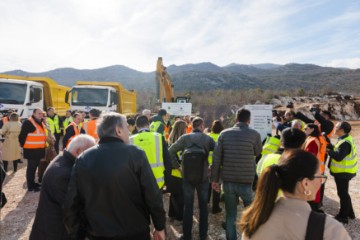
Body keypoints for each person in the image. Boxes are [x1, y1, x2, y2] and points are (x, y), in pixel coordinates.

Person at [63, 112, 166, 240]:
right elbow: (153, 195)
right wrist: (159, 226)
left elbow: (72, 202)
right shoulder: (136, 154)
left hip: (98, 233)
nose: (129, 132)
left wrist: (77, 234)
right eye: (127, 128)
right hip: (135, 232)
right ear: (118, 131)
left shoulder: (83, 159)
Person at [240, 150, 350, 240]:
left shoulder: (254, 218)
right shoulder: (329, 229)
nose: (321, 181)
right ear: (306, 183)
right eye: (320, 176)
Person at [30, 135, 96, 240]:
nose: (93, 159)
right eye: (90, 155)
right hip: (55, 233)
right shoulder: (64, 174)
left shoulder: (63, 161)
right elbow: (72, 211)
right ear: (78, 151)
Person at [211, 108, 262, 240]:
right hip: (246, 181)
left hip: (228, 181)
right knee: (251, 215)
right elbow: (257, 152)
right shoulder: (255, 134)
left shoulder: (224, 134)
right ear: (249, 120)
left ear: (235, 119)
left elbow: (216, 159)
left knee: (230, 215)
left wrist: (214, 180)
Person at [169, 117, 215, 240]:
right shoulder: (207, 138)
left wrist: (178, 167)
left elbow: (170, 151)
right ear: (201, 126)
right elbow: (218, 152)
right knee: (203, 206)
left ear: (192, 126)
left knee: (188, 207)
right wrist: (211, 166)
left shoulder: (185, 138)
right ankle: (203, 235)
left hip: (187, 177)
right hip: (203, 176)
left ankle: (187, 236)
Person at [130, 115, 171, 189]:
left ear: (136, 126)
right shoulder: (159, 137)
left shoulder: (130, 139)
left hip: (137, 182)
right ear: (148, 125)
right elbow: (167, 160)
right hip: (157, 182)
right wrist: (167, 180)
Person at [327, 121, 357, 224]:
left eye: (337, 127)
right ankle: (350, 213)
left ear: (342, 130)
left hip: (343, 172)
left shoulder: (345, 143)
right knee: (344, 193)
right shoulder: (344, 139)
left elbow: (339, 157)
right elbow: (337, 150)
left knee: (343, 194)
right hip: (344, 171)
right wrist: (330, 147)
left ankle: (343, 216)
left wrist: (328, 151)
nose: (334, 128)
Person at [19, 108, 47, 192]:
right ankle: (30, 186)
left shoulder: (40, 122)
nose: (40, 115)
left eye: (41, 113)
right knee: (31, 169)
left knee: (34, 168)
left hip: (38, 150)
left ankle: (33, 183)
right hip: (31, 150)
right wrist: (23, 146)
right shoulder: (29, 122)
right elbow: (22, 136)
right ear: (34, 114)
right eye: (39, 113)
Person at [167, 120, 187, 223]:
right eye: (185, 128)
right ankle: (179, 218)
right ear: (182, 129)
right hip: (180, 172)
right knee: (181, 197)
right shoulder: (184, 141)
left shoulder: (170, 139)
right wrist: (179, 167)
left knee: (174, 195)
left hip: (172, 173)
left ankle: (171, 215)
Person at [207, 120, 224, 214]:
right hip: (218, 166)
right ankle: (215, 207)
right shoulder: (222, 137)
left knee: (208, 185)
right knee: (217, 185)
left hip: (208, 166)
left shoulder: (208, 136)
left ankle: (206, 204)